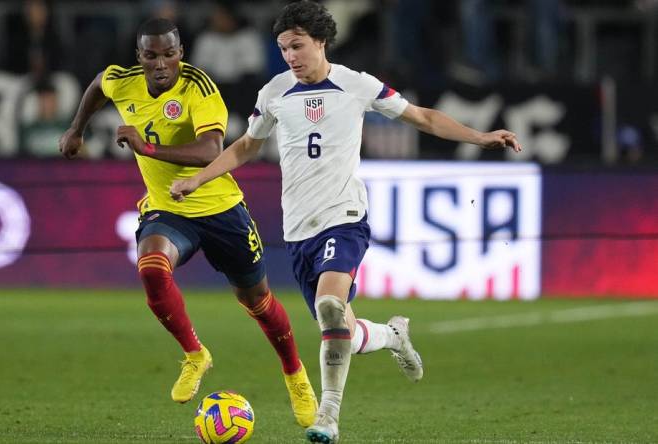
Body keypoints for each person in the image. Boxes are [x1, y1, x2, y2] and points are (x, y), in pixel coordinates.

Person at [169, 2, 522, 443]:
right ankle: (393, 335)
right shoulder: (274, 93)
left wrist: (482, 136)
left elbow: (423, 117)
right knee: (341, 331)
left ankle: (328, 416)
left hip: (345, 218)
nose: (291, 56)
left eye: (297, 46)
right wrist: (199, 178)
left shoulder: (357, 85)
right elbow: (245, 147)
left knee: (330, 308)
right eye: (283, 49)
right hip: (299, 231)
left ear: (320, 41)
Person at [58, 17, 318, 428]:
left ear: (181, 53)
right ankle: (196, 354)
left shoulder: (198, 87)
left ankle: (294, 374)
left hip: (220, 209)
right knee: (151, 267)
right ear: (139, 57)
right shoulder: (121, 81)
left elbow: (211, 150)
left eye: (168, 54)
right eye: (151, 55)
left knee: (258, 302)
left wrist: (148, 147)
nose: (160, 63)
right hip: (168, 208)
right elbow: (96, 85)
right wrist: (76, 130)